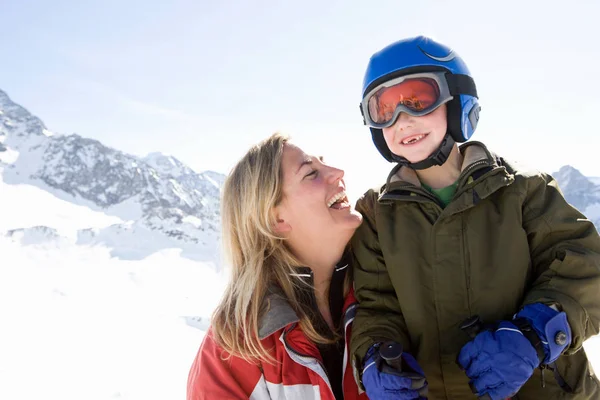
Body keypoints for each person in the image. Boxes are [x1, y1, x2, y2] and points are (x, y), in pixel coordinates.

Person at [349, 36, 600, 399]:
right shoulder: (377, 216)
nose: (402, 120)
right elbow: (376, 305)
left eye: (418, 99)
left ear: (457, 100)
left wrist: (537, 332)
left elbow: (587, 265)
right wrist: (376, 356)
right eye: (384, 109)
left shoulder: (520, 190)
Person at [187, 133, 367, 400]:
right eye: (311, 173)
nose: (337, 172)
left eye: (324, 164)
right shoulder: (235, 349)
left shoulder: (385, 288)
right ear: (275, 220)